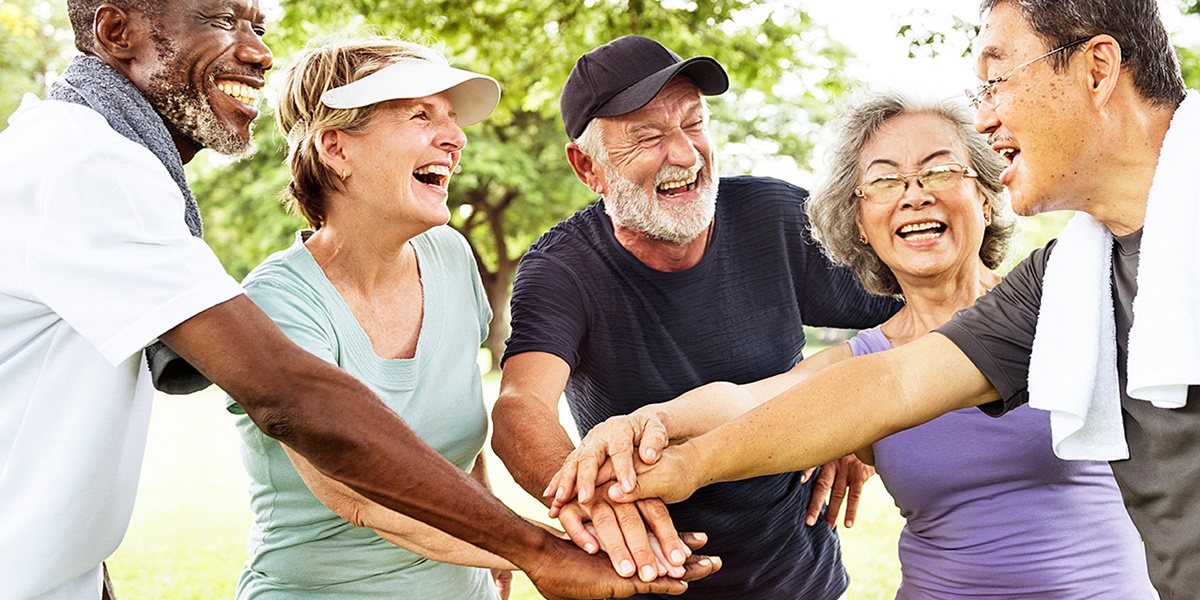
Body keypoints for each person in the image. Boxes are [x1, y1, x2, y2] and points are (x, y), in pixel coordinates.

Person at [0, 2, 717, 598]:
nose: (256, 51)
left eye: (259, 23)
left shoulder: (450, 257)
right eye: (223, 19)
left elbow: (458, 438)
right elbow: (307, 419)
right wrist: (538, 551)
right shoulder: (88, 165)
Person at [558, 1, 1199, 596]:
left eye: (996, 80)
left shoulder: (1091, 281)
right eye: (885, 182)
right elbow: (883, 388)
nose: (986, 116)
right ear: (857, 220)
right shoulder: (1065, 285)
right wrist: (670, 444)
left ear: (1097, 67)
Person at [491, 35, 899, 599]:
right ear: (588, 167)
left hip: (801, 580)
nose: (684, 154)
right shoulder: (562, 269)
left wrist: (861, 419)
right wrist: (597, 502)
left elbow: (928, 307)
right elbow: (520, 405)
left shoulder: (776, 217)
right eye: (648, 137)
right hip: (654, 581)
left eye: (693, 123)